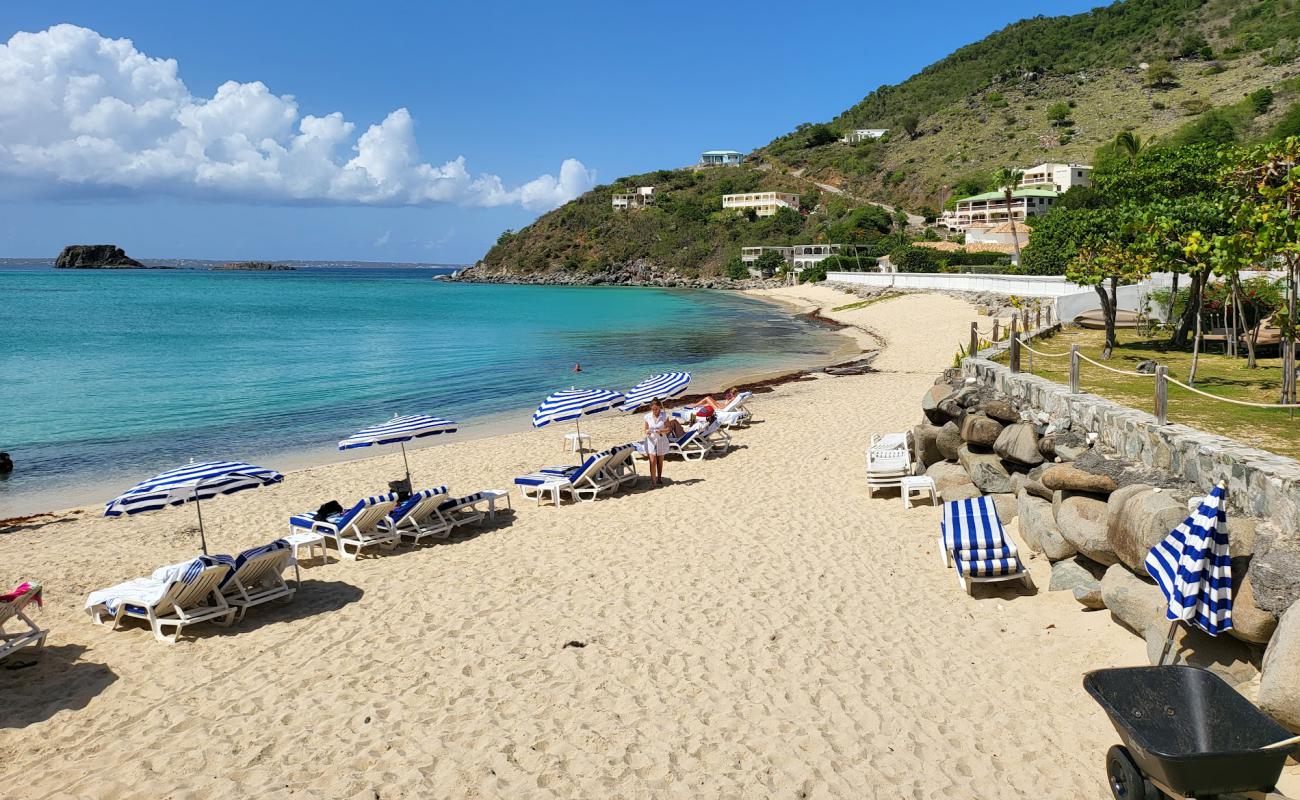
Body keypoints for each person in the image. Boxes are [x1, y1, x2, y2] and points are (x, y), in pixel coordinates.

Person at [643, 398, 676, 486]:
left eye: (656, 409)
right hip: (651, 440)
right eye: (653, 409)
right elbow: (645, 429)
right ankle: (653, 483)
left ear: (659, 408)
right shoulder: (647, 416)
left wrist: (661, 431)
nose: (654, 411)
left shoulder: (664, 416)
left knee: (660, 461)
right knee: (652, 461)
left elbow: (668, 429)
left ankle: (659, 478)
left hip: (661, 439)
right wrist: (647, 431)